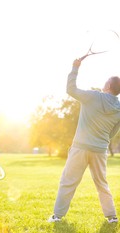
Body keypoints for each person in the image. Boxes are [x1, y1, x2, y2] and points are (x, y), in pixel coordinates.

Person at [48, 58, 120, 223]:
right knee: (102, 184)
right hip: (100, 150)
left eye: (106, 82)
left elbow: (71, 89)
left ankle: (57, 216)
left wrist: (75, 67)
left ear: (108, 86)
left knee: (68, 181)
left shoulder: (93, 96)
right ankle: (112, 217)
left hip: (80, 148)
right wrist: (100, 142)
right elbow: (113, 132)